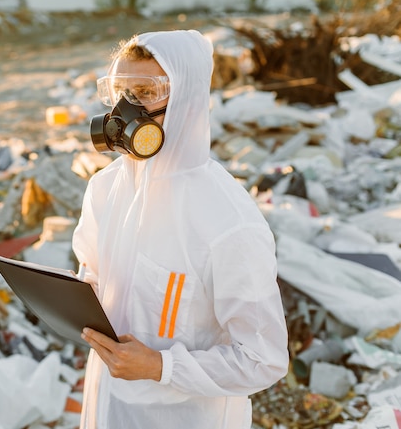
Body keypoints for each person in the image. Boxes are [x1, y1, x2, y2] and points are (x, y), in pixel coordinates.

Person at [72, 29, 289, 429]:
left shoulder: (227, 221)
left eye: (145, 92)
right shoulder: (105, 188)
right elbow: (93, 276)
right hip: (106, 408)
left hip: (185, 418)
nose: (126, 108)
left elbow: (264, 360)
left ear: (188, 102)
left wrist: (160, 365)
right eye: (120, 91)